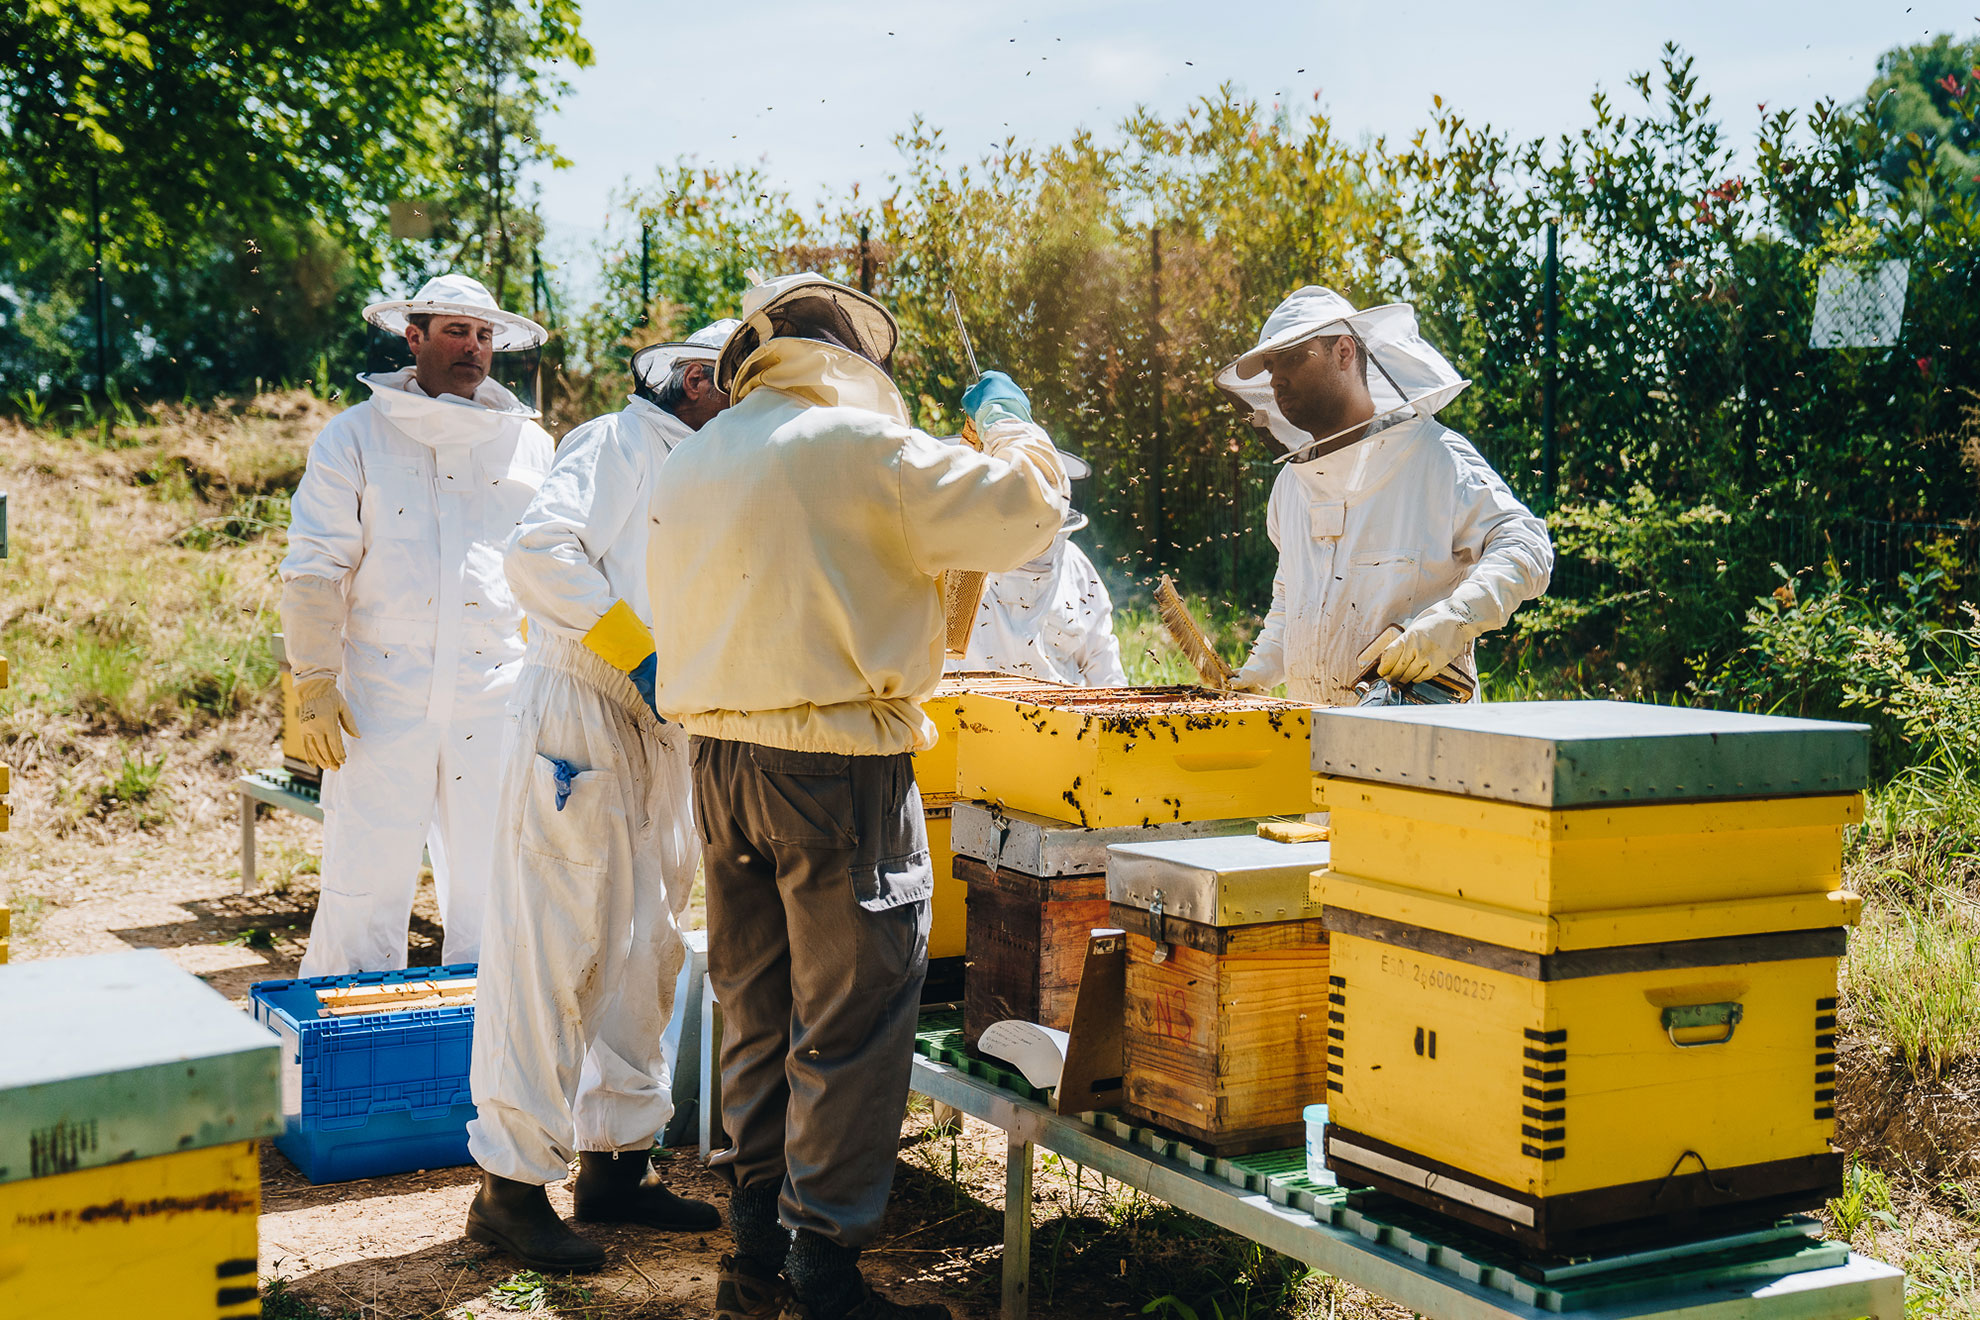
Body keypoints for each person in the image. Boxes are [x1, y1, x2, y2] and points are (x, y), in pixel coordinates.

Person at [646, 273, 1069, 1320]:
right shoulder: (864, 450)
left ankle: (755, 1246)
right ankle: (822, 1274)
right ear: (851, 355)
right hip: (836, 767)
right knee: (850, 1022)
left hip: (721, 764)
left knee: (755, 1010)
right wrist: (1014, 428)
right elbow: (1027, 517)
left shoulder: (696, 457)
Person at [463, 320, 739, 1270]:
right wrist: (640, 652)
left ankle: (616, 1161)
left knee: (647, 947)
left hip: (664, 726)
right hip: (581, 705)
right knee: (557, 940)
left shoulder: (713, 466)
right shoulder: (614, 441)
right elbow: (540, 554)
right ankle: (508, 1189)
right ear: (696, 379)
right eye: (738, 381)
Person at [280, 273, 553, 975]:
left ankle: (493, 1072)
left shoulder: (529, 447)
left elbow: (552, 569)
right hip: (380, 693)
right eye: (456, 331)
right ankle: (349, 1065)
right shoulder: (354, 437)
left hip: (495, 692)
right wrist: (312, 678)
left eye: (485, 334)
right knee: (363, 887)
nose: (474, 348)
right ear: (414, 337)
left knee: (497, 891)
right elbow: (315, 566)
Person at [1216, 287, 1552, 705]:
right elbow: (1293, 601)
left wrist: (1456, 618)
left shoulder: (1434, 457)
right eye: (1270, 367)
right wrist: (1260, 672)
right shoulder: (1291, 484)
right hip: (1313, 737)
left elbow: (1527, 544)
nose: (1276, 379)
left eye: (1293, 358)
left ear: (1343, 352)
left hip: (1425, 745)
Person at [953, 453, 1128, 686]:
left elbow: (1100, 657)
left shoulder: (1074, 564)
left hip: (1063, 717)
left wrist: (1117, 717)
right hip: (964, 713)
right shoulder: (956, 564)